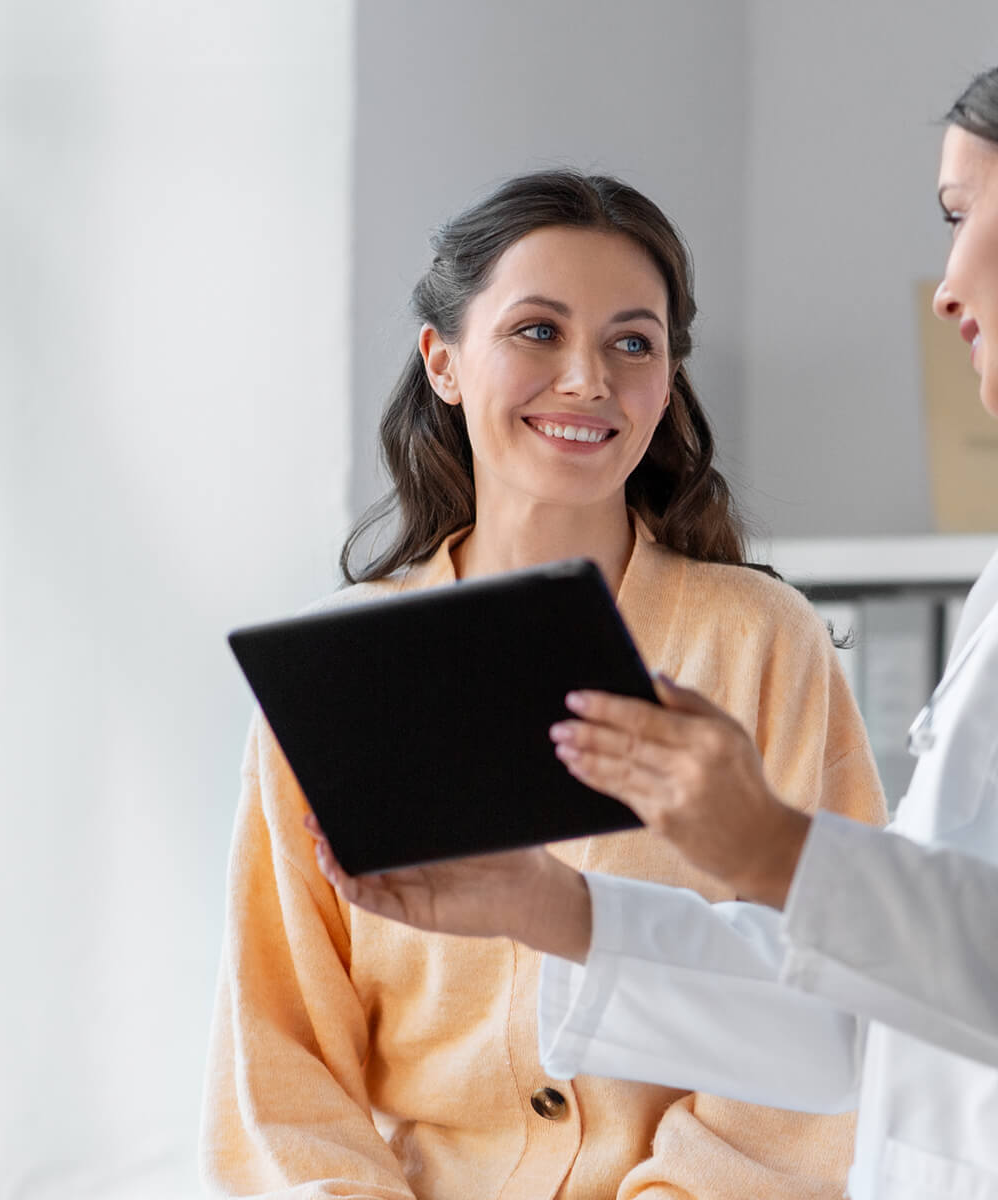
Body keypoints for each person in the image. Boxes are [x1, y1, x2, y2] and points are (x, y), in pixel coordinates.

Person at [317, 14, 998, 1200]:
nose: (948, 286)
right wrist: (553, 909)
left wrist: (773, 846)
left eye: (959, 215)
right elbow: (856, 1027)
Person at [202, 170, 887, 1200]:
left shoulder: (759, 644)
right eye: (537, 331)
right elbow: (279, 1061)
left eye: (632, 341)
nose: (588, 380)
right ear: (443, 361)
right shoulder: (336, 675)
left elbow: (838, 990)